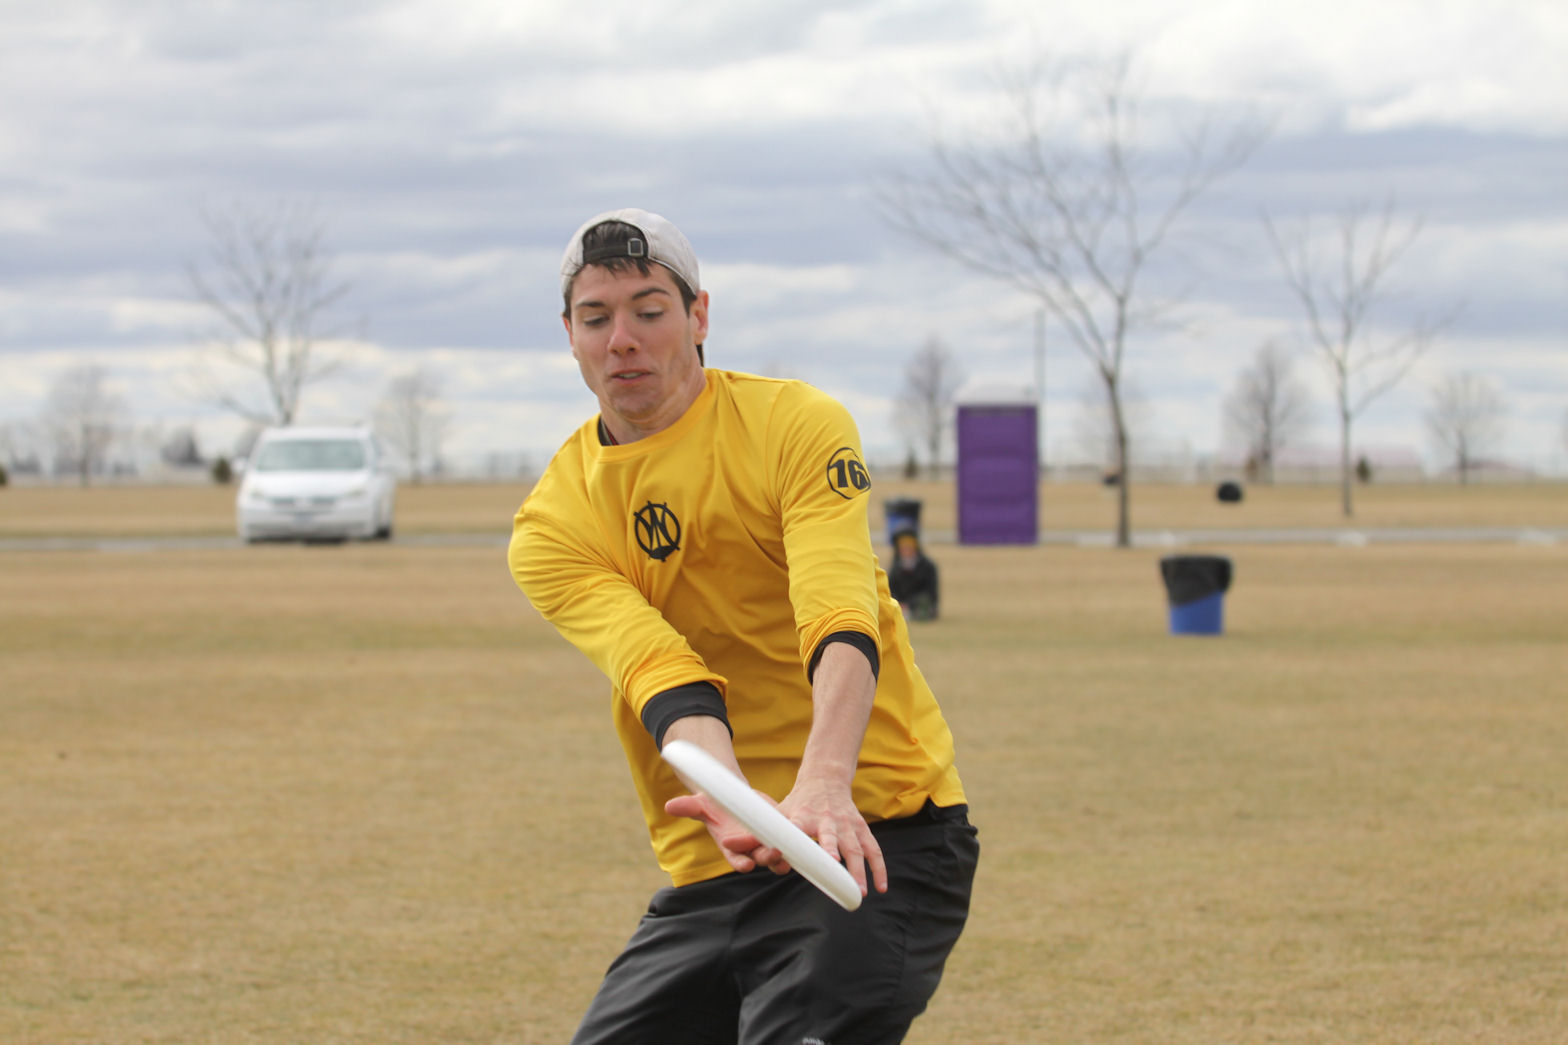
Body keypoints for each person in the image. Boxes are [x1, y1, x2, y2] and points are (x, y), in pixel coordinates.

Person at [508, 208, 978, 1044]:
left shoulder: (794, 424)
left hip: (876, 831)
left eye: (650, 310)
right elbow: (663, 673)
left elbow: (838, 609)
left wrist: (823, 780)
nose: (623, 339)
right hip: (723, 863)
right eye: (597, 317)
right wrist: (739, 803)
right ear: (570, 336)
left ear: (699, 316)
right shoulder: (552, 525)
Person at [886, 528, 940, 621]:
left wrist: (909, 604)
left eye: (909, 546)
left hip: (920, 607)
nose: (906, 550)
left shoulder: (927, 566)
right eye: (903, 547)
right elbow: (890, 590)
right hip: (899, 607)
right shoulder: (896, 566)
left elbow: (930, 593)